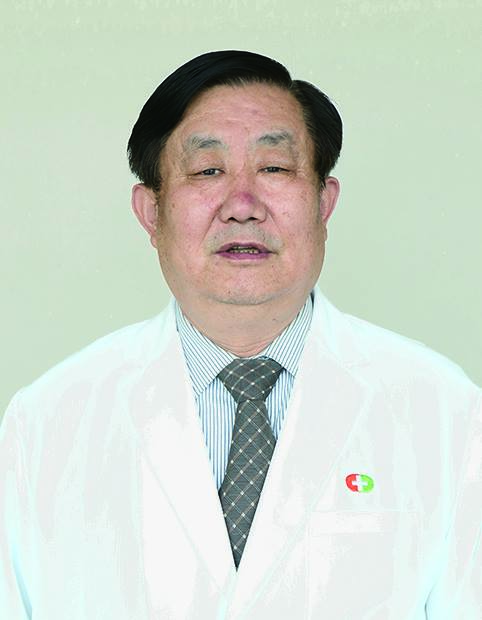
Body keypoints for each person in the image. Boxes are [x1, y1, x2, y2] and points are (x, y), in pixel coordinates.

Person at [0, 50, 480, 620]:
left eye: (274, 168)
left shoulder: (444, 411)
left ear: (324, 202)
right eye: (207, 171)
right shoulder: (46, 423)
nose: (242, 206)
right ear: (151, 212)